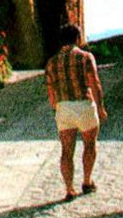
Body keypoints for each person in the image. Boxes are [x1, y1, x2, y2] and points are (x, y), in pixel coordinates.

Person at [43, 22, 107, 200]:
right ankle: (87, 181)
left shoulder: (51, 62)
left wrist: (57, 107)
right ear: (78, 38)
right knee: (89, 144)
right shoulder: (86, 57)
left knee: (66, 150)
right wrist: (100, 107)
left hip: (64, 107)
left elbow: (50, 90)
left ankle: (69, 189)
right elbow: (95, 83)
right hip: (84, 104)